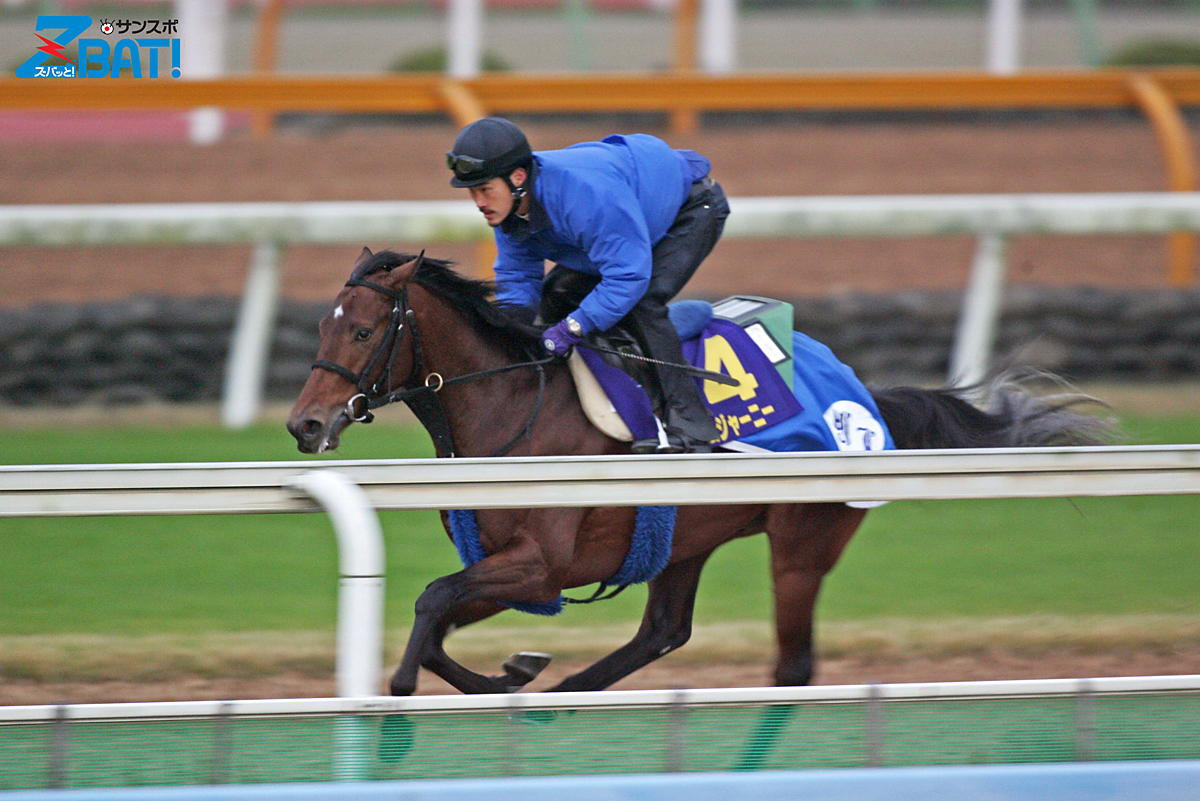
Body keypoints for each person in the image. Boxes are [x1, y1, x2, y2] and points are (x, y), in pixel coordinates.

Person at [445, 117, 729, 453]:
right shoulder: (508, 212)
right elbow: (519, 279)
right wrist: (510, 332)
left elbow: (627, 277)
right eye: (473, 192)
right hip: (625, 220)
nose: (478, 202)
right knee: (556, 297)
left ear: (518, 178)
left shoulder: (583, 196)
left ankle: (689, 424)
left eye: (485, 189)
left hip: (691, 210)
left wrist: (572, 328)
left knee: (641, 303)